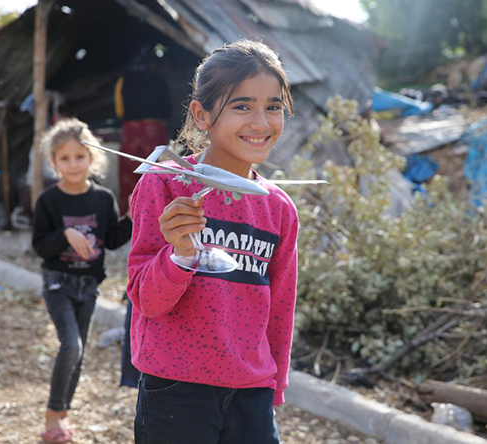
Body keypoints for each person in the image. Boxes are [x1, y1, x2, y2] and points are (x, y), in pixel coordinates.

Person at [127, 40, 299, 444]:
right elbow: (147, 300)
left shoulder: (278, 208)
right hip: (175, 389)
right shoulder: (165, 184)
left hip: (251, 391)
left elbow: (281, 305)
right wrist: (181, 254)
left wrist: (274, 385)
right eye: (242, 106)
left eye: (273, 106)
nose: (261, 122)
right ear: (201, 115)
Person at [32, 118, 132, 443]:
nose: (73, 164)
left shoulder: (103, 198)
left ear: (92, 158)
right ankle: (51, 414)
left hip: (89, 286)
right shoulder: (49, 201)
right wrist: (66, 234)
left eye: (80, 156)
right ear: (53, 162)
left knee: (80, 352)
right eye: (65, 158)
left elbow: (114, 239)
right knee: (69, 346)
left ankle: (63, 413)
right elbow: (41, 246)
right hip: (58, 282)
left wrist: (135, 216)